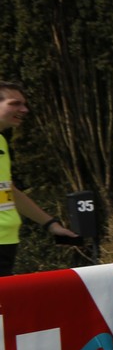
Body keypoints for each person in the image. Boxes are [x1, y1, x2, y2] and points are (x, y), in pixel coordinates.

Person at [0, 81, 79, 276]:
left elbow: (9, 191)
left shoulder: (1, 141)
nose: (24, 109)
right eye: (15, 103)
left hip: (7, 241)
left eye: (24, 104)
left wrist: (51, 224)